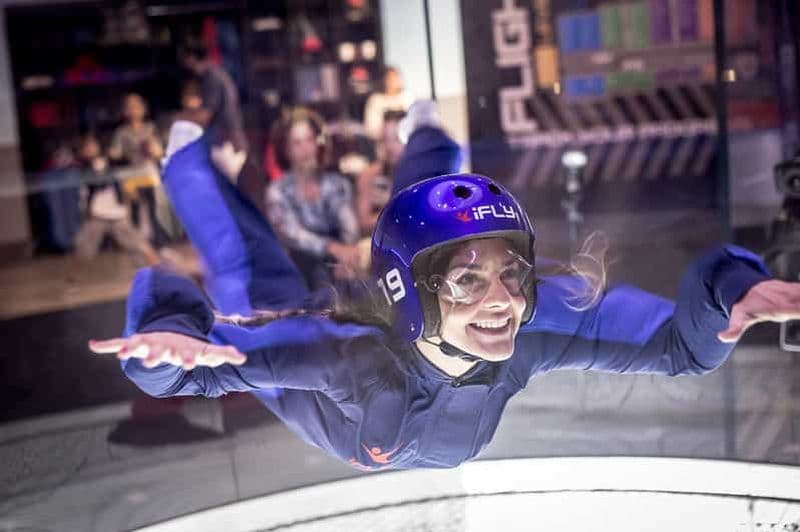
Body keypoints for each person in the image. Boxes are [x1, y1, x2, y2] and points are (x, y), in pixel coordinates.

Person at [90, 118, 800, 471]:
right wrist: (164, 342)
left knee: (421, 211)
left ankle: (426, 132)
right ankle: (186, 157)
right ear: (411, 293)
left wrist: (732, 297)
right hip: (325, 382)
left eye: (511, 273)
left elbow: (678, 344)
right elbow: (198, 359)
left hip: (388, 316)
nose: (503, 300)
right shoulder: (346, 357)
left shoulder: (536, 323)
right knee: (246, 270)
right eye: (468, 278)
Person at [265, 107, 360, 289]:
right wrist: (333, 248)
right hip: (299, 270)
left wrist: (346, 256)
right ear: (286, 150)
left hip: (341, 264)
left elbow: (350, 228)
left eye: (310, 140)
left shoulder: (337, 184)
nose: (306, 149)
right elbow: (293, 235)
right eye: (297, 143)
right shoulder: (277, 191)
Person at [72, 133, 159, 265]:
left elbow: (124, 175)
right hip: (97, 213)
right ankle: (76, 274)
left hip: (116, 210)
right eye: (86, 147)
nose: (90, 149)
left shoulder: (112, 162)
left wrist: (129, 193)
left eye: (92, 145)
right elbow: (85, 190)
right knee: (83, 245)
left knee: (135, 242)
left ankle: (155, 263)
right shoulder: (82, 168)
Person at [178, 39, 248, 183]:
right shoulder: (217, 74)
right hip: (228, 141)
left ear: (191, 58)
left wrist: (179, 119)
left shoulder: (212, 77)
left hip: (226, 144)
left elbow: (206, 116)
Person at [108, 93, 169, 248]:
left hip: (149, 172)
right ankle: (137, 242)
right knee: (134, 210)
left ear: (143, 109)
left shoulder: (151, 128)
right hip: (131, 174)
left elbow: (160, 152)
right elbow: (115, 152)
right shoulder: (122, 132)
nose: (133, 111)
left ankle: (159, 241)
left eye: (136, 107)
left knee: (155, 207)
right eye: (129, 107)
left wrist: (154, 149)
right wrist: (114, 154)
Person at [355, 110, 405, 237]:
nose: (389, 146)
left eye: (396, 139)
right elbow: (363, 224)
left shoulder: (422, 172)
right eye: (385, 140)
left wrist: (391, 204)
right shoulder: (370, 175)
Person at [363, 66, 414, 140]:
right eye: (388, 78)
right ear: (383, 80)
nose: (391, 81)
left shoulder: (408, 97)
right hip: (383, 144)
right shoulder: (375, 100)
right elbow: (371, 129)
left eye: (394, 78)